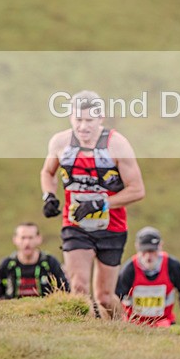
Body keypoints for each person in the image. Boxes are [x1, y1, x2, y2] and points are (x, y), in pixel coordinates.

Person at [40, 90, 145, 318]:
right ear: (70, 117)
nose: (83, 126)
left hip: (112, 227)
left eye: (89, 120)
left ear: (101, 118)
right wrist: (48, 195)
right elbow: (48, 172)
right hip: (75, 223)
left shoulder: (117, 144)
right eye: (78, 120)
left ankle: (123, 330)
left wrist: (100, 203)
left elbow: (137, 190)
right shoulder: (60, 142)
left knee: (104, 296)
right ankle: (84, 337)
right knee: (78, 287)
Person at [116, 226, 180, 327]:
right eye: (144, 251)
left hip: (164, 324)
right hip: (134, 325)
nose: (148, 256)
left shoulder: (172, 266)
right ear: (137, 247)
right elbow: (114, 297)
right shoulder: (129, 269)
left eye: (152, 251)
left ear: (160, 246)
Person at [0, 222, 68, 300]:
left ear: (39, 238)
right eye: (23, 238)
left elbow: (65, 291)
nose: (27, 242)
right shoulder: (7, 265)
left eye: (30, 238)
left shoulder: (50, 263)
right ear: (15, 239)